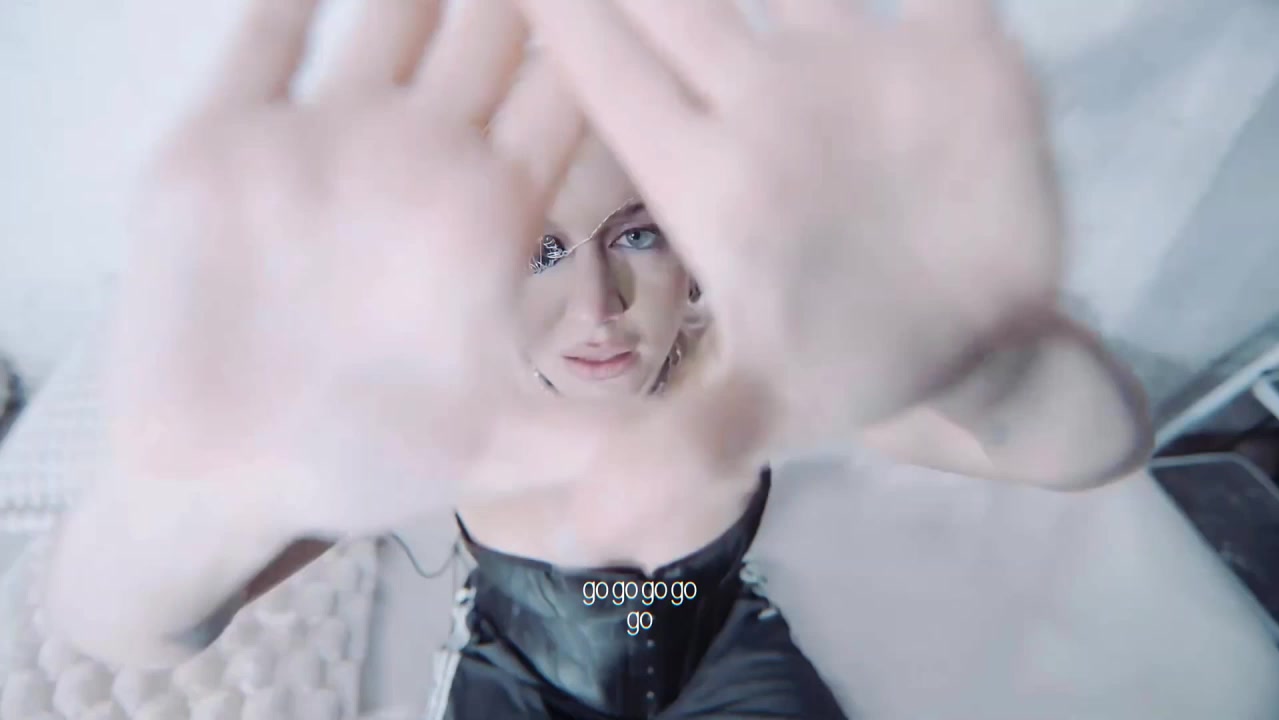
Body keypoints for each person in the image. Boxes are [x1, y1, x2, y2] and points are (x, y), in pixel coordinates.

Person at [43, 0, 1153, 718]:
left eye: (638, 235)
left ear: (698, 251)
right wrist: (197, 498)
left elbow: (1089, 452)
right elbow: (119, 629)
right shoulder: (440, 424)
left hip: (723, 659)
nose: (597, 307)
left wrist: (985, 366)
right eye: (536, 251)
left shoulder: (750, 383)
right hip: (516, 681)